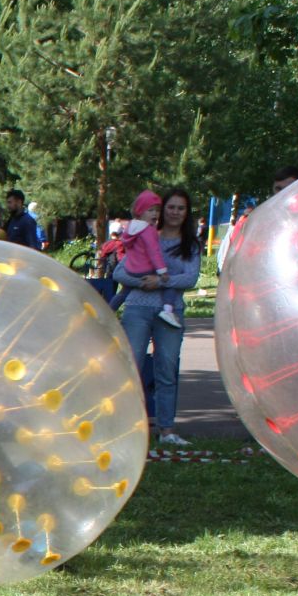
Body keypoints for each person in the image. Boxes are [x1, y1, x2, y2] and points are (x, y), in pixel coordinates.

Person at [115, 186, 202, 448]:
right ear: (161, 210)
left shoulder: (191, 245)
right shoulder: (144, 234)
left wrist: (161, 281)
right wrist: (145, 283)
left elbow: (190, 278)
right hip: (138, 309)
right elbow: (120, 272)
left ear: (187, 213)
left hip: (171, 315)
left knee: (167, 370)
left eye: (181, 208)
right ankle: (125, 428)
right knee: (131, 369)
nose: (175, 212)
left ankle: (167, 430)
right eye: (171, 207)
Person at [119, 190, 180, 329]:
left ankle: (109, 309)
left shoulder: (131, 228)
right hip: (145, 270)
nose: (155, 214)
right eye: (150, 210)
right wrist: (162, 272)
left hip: (131, 269)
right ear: (140, 211)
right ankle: (168, 310)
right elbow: (154, 252)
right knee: (170, 281)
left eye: (157, 211)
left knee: (123, 292)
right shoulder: (148, 230)